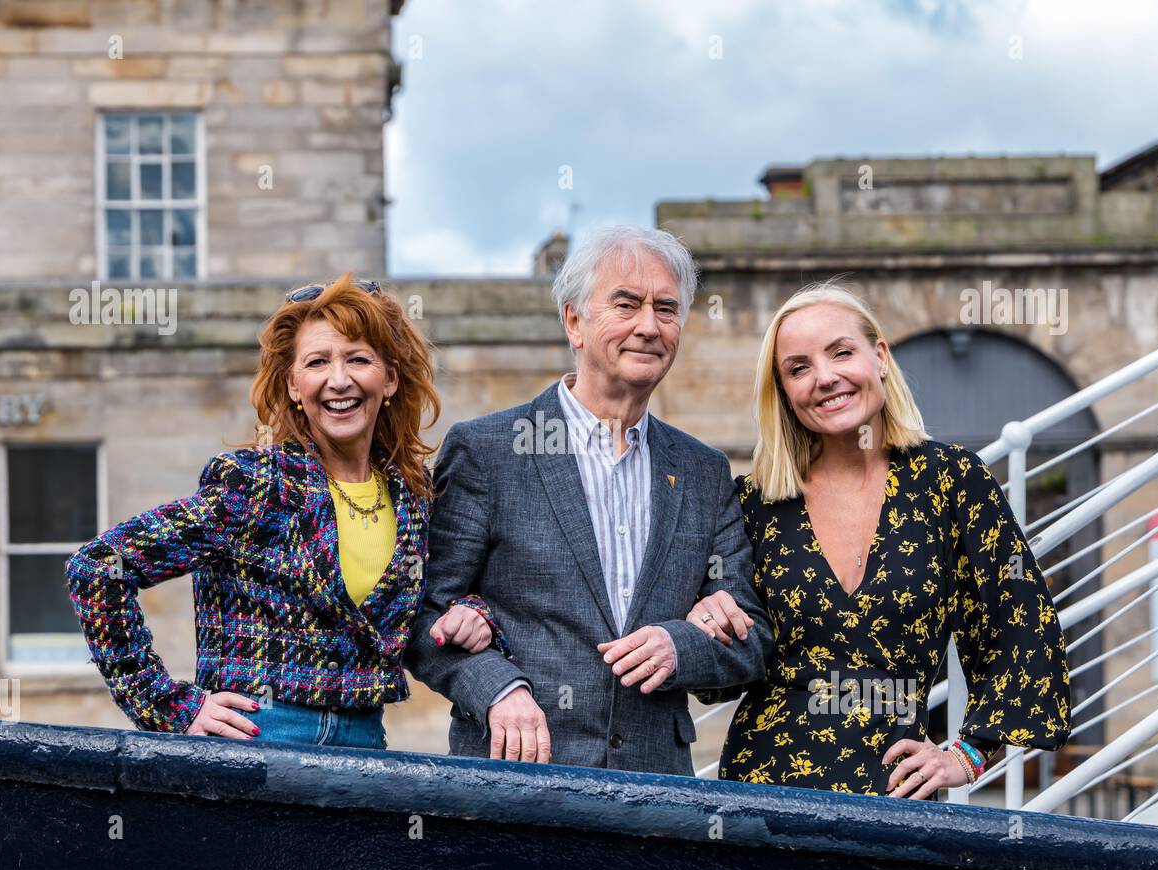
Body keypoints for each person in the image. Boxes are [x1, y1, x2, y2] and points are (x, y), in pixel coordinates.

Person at [404, 226, 773, 775]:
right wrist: (499, 688)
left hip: (657, 789)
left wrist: (681, 646)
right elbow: (425, 612)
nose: (648, 326)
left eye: (666, 309)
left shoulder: (704, 470)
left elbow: (751, 638)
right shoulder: (487, 451)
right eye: (626, 305)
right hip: (518, 778)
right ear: (574, 321)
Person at [65, 275, 492, 747]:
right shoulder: (257, 484)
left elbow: (438, 599)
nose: (339, 380)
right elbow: (98, 567)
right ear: (293, 384)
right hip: (260, 732)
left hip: (366, 737)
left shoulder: (413, 494)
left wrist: (472, 613)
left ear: (389, 378)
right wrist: (168, 705)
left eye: (358, 359)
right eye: (317, 362)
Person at [689, 282, 1071, 798]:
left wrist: (969, 754)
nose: (825, 377)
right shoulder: (754, 503)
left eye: (841, 352)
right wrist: (705, 617)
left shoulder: (951, 481)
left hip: (897, 793)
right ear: (784, 393)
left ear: (881, 358)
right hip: (763, 790)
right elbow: (725, 669)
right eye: (798, 368)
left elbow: (1020, 622)